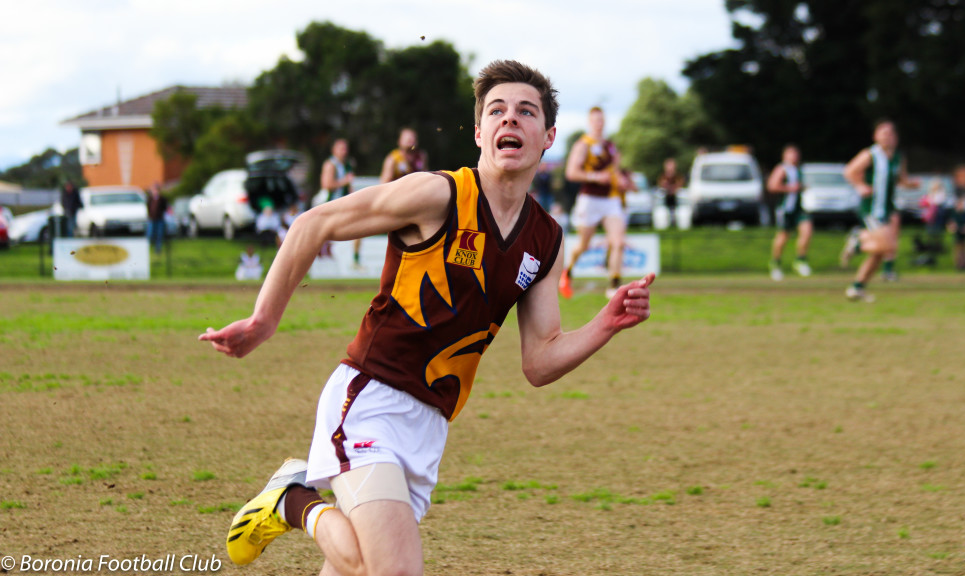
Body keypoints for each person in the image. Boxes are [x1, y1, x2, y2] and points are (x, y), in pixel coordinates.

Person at [199, 60, 655, 576]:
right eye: (497, 110)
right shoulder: (438, 194)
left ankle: (293, 501)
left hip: (431, 426)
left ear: (548, 136)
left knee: (361, 569)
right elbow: (314, 222)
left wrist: (605, 324)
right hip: (370, 399)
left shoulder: (545, 239)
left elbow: (540, 361)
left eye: (526, 112)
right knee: (392, 571)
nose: (510, 120)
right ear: (480, 131)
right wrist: (264, 321)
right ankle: (291, 500)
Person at [841, 119, 918, 302]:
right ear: (875, 136)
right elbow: (849, 171)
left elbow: (900, 179)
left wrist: (911, 184)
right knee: (888, 246)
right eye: (883, 133)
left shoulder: (898, 157)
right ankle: (858, 240)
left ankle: (857, 288)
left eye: (891, 133)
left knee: (880, 253)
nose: (887, 137)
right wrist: (860, 186)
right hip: (872, 208)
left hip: (887, 207)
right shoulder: (870, 154)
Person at [560, 106, 627, 299]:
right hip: (589, 199)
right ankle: (567, 272)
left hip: (611, 199)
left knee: (618, 242)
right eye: (596, 120)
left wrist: (620, 179)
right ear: (590, 122)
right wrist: (597, 177)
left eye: (602, 120)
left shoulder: (610, 146)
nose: (599, 124)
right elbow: (571, 173)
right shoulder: (583, 145)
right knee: (584, 245)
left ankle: (614, 285)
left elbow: (615, 169)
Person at [766, 145, 812, 281]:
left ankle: (800, 260)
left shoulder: (798, 169)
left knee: (807, 231)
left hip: (799, 208)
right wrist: (790, 188)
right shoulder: (782, 169)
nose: (795, 157)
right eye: (791, 154)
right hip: (785, 208)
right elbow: (772, 186)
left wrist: (802, 188)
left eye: (796, 154)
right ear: (785, 156)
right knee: (783, 236)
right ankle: (775, 263)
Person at [320, 138, 361, 266]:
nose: (344, 151)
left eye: (345, 148)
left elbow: (349, 186)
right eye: (341, 148)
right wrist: (344, 181)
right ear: (333, 150)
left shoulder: (347, 164)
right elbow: (326, 184)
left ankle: (355, 260)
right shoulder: (330, 164)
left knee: (358, 229)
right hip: (332, 205)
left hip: (345, 205)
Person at [948, 194, 965, 270]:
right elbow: (950, 225)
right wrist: (953, 228)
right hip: (957, 236)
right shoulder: (954, 214)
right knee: (958, 251)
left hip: (964, 236)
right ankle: (958, 265)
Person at [657, 158, 685, 228]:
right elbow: (662, 184)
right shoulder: (664, 176)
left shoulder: (677, 176)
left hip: (676, 197)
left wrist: (673, 189)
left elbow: (680, 184)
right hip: (666, 196)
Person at [146, 182, 168, 253]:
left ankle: (158, 249)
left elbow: (165, 208)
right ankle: (148, 248)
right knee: (150, 234)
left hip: (159, 219)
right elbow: (148, 207)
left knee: (159, 234)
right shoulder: (150, 199)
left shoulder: (162, 199)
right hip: (152, 219)